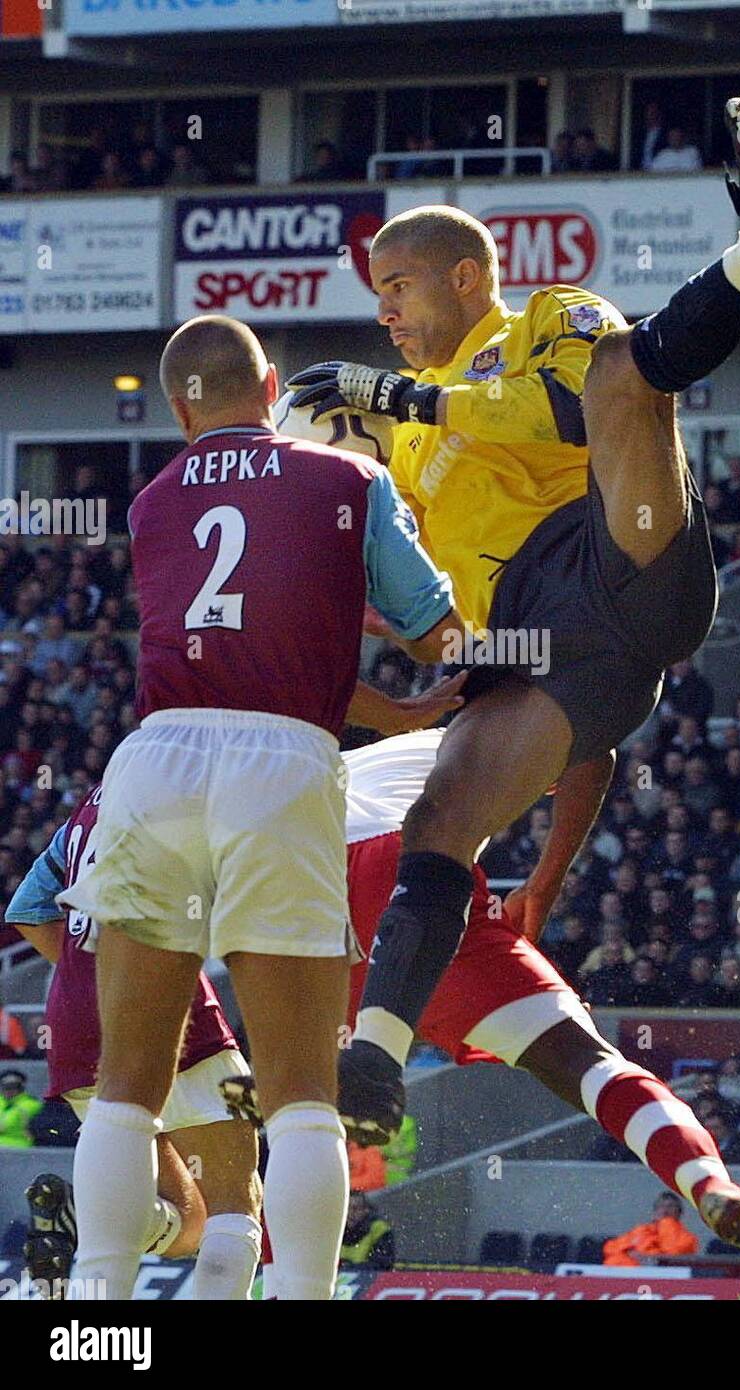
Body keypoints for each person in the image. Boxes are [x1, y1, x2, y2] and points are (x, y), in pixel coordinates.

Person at [285, 96, 740, 1183]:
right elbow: (394, 594)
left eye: (396, 288)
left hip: (612, 556)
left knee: (626, 372)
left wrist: (412, 399)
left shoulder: (543, 315)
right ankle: (377, 1060)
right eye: (377, 299)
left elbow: (578, 413)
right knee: (441, 820)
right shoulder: (398, 441)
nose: (385, 314)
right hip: (546, 655)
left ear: (461, 277)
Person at [56, 315, 458, 1302]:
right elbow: (434, 634)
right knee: (299, 1093)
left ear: (177, 405)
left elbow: (232, 639)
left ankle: (100, 1307)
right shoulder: (346, 481)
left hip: (156, 761)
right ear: (270, 381)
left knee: (127, 1087)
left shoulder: (151, 501)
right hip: (282, 766)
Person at [230, 730, 740, 1274]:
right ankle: (710, 1184)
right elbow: (592, 755)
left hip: (294, 887)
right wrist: (544, 886)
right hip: (413, 874)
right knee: (597, 1068)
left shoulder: (338, 757)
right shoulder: (479, 733)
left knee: (302, 1115)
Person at [5, 783, 263, 1298]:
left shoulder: (93, 804)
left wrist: (95, 975)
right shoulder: (209, 776)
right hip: (168, 1002)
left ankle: (82, 1229)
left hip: (76, 1020)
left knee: (188, 1222)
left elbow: (28, 910)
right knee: (237, 1204)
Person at [602, 1192, 699, 1265]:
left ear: (679, 1212)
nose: (665, 1210)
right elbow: (610, 1249)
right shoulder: (641, 1230)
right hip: (624, 1276)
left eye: (670, 1206)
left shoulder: (688, 1238)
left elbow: (672, 1252)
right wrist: (629, 1252)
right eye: (660, 1206)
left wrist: (667, 1223)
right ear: (654, 1212)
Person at [340, 1191, 395, 1270]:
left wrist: (350, 1268)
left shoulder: (379, 1229)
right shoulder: (333, 1229)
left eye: (356, 1208)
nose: (350, 1213)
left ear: (366, 1210)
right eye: (347, 1208)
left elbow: (382, 1265)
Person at [0, 1069, 42, 1148]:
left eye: (14, 1087)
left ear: (21, 1088)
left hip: (19, 1146)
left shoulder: (31, 1104)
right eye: (6, 1087)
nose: (9, 1090)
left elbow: (7, 1125)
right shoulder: (1, 1101)